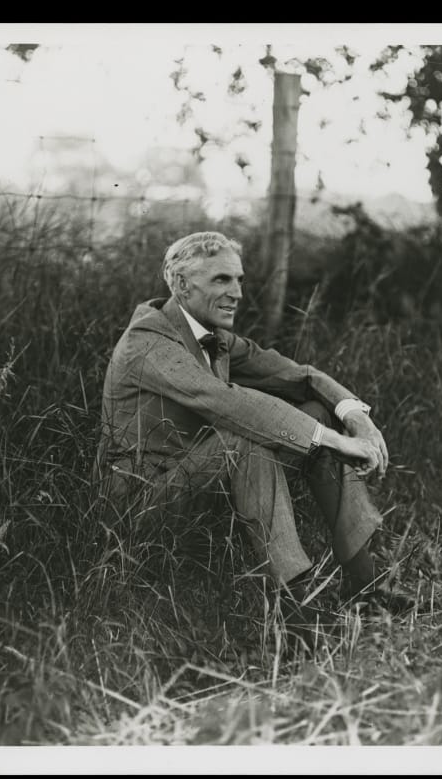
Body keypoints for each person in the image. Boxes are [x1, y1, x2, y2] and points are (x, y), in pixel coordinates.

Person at [95, 231, 414, 650]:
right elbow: (229, 403)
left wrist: (358, 420)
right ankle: (294, 614)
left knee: (317, 414)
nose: (237, 293)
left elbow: (302, 376)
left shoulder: (214, 337)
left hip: (196, 478)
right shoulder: (148, 342)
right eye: (221, 280)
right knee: (244, 440)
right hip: (141, 506)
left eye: (239, 280)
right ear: (182, 285)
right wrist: (335, 442)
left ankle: (364, 583)